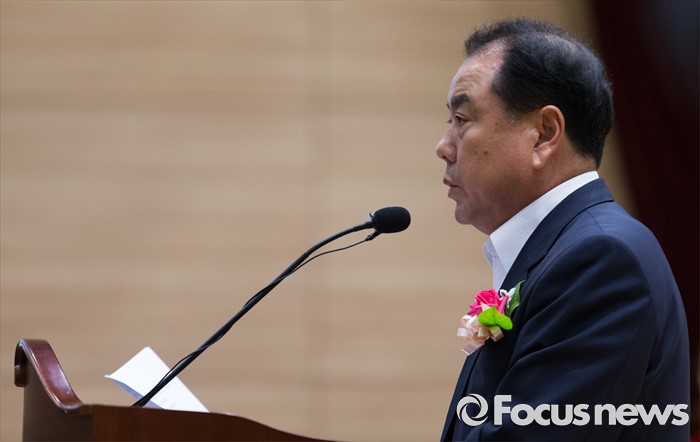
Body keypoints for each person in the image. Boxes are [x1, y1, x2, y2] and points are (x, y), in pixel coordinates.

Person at [436, 19, 690, 441]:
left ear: (544, 134)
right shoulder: (568, 250)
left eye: (461, 119)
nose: (444, 147)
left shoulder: (601, 260)